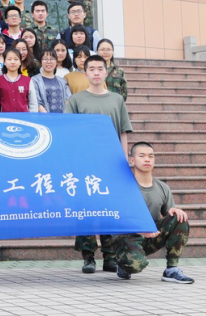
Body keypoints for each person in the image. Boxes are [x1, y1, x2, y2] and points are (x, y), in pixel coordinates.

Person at [65, 54, 133, 274]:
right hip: (84, 162)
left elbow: (123, 132)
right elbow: (68, 132)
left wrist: (124, 160)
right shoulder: (76, 100)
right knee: (85, 207)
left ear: (106, 72)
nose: (96, 72)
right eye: (91, 69)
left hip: (111, 163)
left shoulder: (117, 99)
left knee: (109, 207)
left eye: (99, 69)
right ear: (85, 73)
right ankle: (88, 256)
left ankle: (110, 256)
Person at [112, 143, 193, 284]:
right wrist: (140, 230)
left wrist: (175, 211)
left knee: (180, 218)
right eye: (142, 156)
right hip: (126, 238)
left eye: (151, 156)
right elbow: (114, 219)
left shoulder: (162, 187)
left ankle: (171, 269)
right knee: (135, 264)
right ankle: (123, 264)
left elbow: (169, 214)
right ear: (132, 160)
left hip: (151, 236)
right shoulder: (121, 187)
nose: (147, 159)